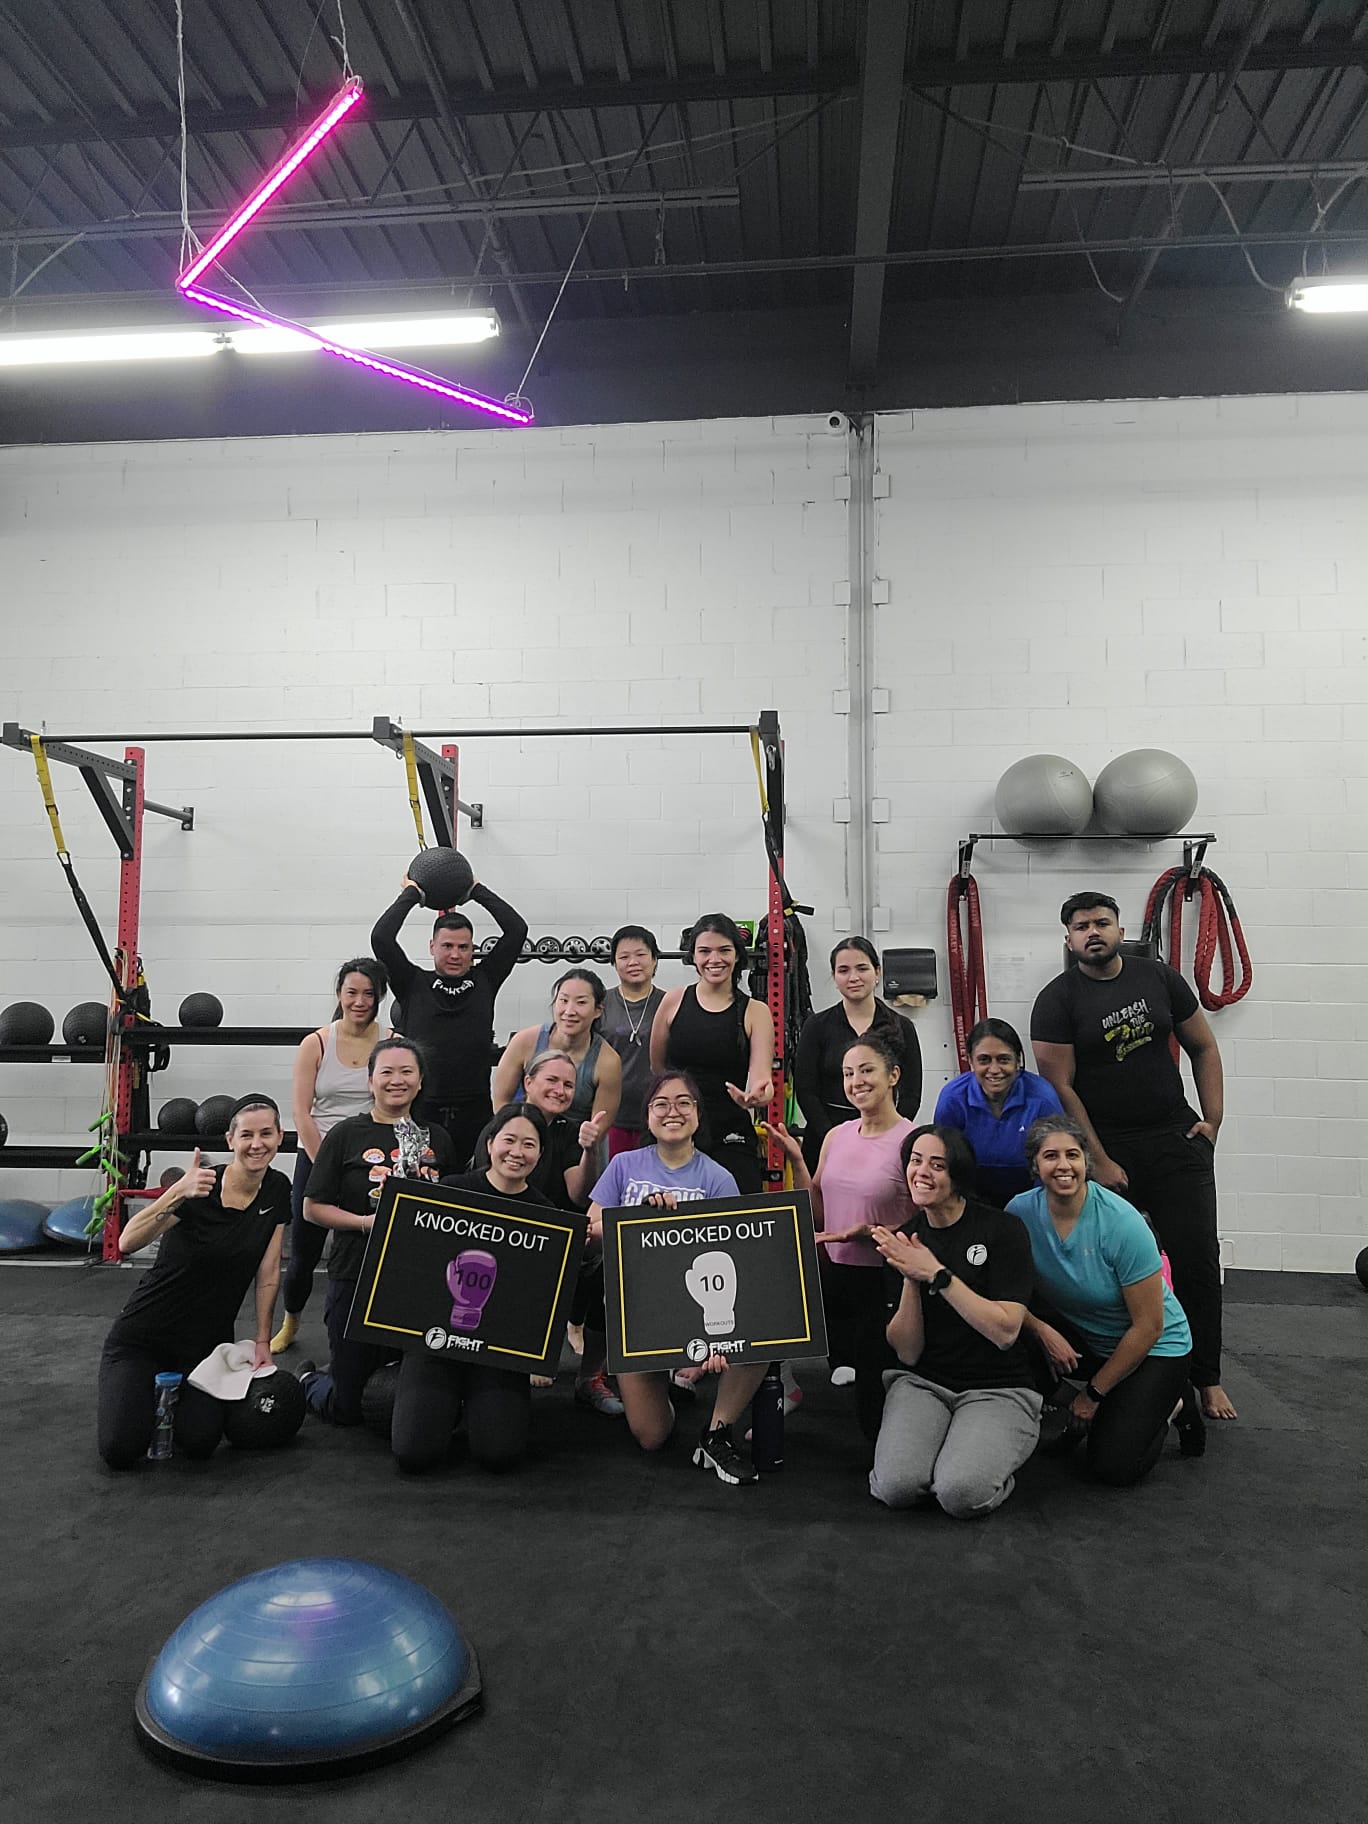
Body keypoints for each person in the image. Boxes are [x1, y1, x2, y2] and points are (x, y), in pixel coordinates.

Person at [1030, 891, 1234, 1422]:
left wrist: (1211, 1121)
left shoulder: (1159, 979)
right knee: (1106, 1268)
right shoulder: (1057, 1000)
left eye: (1102, 922)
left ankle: (1205, 1378)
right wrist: (1096, 1159)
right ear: (1069, 938)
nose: (1092, 932)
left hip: (1173, 1138)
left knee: (1195, 1258)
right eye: (1081, 926)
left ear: (1121, 930)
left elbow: (1205, 1047)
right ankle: (1121, 1370)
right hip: (1106, 1146)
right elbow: (1062, 1088)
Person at [585, 1070, 771, 1484]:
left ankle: (717, 1429)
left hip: (701, 1308)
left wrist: (723, 1337)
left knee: (765, 1329)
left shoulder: (718, 1178)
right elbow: (590, 1234)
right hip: (638, 1317)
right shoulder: (623, 1165)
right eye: (661, 1104)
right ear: (647, 1116)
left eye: (684, 1102)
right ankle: (662, 1377)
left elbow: (734, 1257)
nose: (673, 1111)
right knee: (652, 1436)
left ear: (698, 1116)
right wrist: (641, 1220)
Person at [97, 1095, 290, 1469]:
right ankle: (139, 1394)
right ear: (230, 1140)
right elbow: (127, 1241)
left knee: (199, 1443)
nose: (257, 1143)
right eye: (247, 1134)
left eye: (266, 1133)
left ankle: (160, 1399)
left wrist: (264, 1339)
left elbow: (268, 1271)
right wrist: (176, 1193)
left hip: (202, 1348)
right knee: (120, 1450)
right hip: (143, 1337)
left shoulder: (278, 1189)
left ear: (279, 1137)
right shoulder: (199, 1188)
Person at [1009, 1117, 1205, 1485]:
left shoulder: (1121, 1223)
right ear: (1035, 1166)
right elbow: (1006, 1293)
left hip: (1155, 1346)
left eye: (1072, 1154)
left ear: (1087, 1162)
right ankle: (1099, 1407)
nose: (1063, 1165)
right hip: (1088, 1335)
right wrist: (1042, 1330)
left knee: (1111, 1467)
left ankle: (1175, 1404)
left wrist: (1094, 1394)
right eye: (1051, 1156)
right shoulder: (1019, 1213)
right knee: (1008, 1336)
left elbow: (1149, 1326)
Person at [866, 1124, 1041, 1519]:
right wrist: (912, 1278)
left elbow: (1006, 1331)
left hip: (998, 1388)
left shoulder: (1003, 1230)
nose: (922, 1172)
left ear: (957, 1174)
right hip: (923, 1383)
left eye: (937, 1164)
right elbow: (908, 1353)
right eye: (914, 1161)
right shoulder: (904, 1240)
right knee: (896, 1487)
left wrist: (938, 1275)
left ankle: (994, 1451)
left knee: (961, 1494)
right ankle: (949, 1452)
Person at [298, 1038, 457, 1427]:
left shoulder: (437, 1139)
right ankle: (309, 1379)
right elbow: (312, 1208)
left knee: (416, 1396)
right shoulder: (345, 1135)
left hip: (419, 1282)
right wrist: (365, 1223)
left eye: (407, 1072)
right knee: (346, 1409)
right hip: (356, 1273)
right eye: (386, 1072)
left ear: (420, 1082)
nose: (396, 1081)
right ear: (370, 1081)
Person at [390, 1105, 554, 1474]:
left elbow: (538, 1299)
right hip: (436, 1341)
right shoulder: (453, 1191)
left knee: (499, 1454)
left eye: (529, 1144)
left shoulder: (545, 1215)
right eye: (509, 1140)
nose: (517, 1152)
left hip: (498, 1351)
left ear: (540, 1154)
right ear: (490, 1142)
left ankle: (471, 1407)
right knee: (414, 1454)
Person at [771, 1036, 913, 1429]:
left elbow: (929, 1224)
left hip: (884, 1279)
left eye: (867, 1070)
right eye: (849, 1074)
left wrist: (873, 1232)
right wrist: (798, 1161)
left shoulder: (912, 1141)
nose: (856, 1081)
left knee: (872, 1399)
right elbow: (818, 1210)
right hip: (835, 1269)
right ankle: (784, 1386)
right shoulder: (837, 1135)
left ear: (893, 1076)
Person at [370, 868, 528, 1166]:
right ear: (432, 947)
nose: (455, 954)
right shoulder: (411, 982)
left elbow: (516, 929)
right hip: (422, 1109)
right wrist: (412, 894)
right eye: (447, 946)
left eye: (463, 947)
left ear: (472, 950)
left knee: (469, 1190)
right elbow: (381, 937)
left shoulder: (486, 979)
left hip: (475, 1109)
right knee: (422, 1185)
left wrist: (475, 890)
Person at [271, 956, 387, 1354]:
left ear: (379, 997)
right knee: (303, 1250)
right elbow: (302, 1113)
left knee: (375, 1245)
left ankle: (377, 1323)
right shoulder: (317, 1043)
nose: (359, 1001)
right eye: (351, 992)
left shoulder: (392, 1042)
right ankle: (290, 1321)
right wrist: (327, 1168)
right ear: (339, 994)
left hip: (372, 1158)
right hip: (318, 1155)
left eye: (368, 994)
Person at [650, 913, 774, 1194]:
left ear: (737, 955)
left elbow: (761, 1080)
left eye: (724, 950)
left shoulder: (756, 1011)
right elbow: (658, 1069)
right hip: (675, 1125)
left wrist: (756, 1096)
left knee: (740, 1214)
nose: (714, 959)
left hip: (729, 1129)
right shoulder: (673, 1001)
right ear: (693, 956)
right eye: (704, 951)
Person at [794, 937, 923, 1171]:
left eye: (862, 968)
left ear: (877, 973)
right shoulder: (816, 1026)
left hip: (884, 1141)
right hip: (826, 1140)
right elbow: (806, 1091)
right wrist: (833, 1137)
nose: (853, 977)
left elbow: (911, 1094)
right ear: (834, 978)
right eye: (843, 970)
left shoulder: (902, 1027)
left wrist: (891, 1135)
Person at [933, 1017, 1063, 1207]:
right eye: (984, 1060)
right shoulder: (952, 1098)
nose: (994, 1070)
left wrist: (1032, 1209)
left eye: (1004, 1060)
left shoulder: (1043, 1098)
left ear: (1018, 1061)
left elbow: (1055, 1161)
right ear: (970, 1061)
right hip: (971, 1198)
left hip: (1032, 1197)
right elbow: (944, 1162)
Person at [493, 967, 621, 1148]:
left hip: (575, 1148)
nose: (569, 1011)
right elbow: (501, 1102)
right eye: (563, 1000)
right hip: (521, 1140)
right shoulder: (524, 1041)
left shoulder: (607, 1061)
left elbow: (598, 1128)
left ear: (598, 1010)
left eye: (581, 1002)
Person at [599, 925, 667, 1156]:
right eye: (624, 957)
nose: (633, 962)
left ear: (655, 960)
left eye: (641, 955)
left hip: (660, 1115)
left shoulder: (670, 1004)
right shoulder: (600, 1004)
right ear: (614, 963)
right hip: (611, 1117)